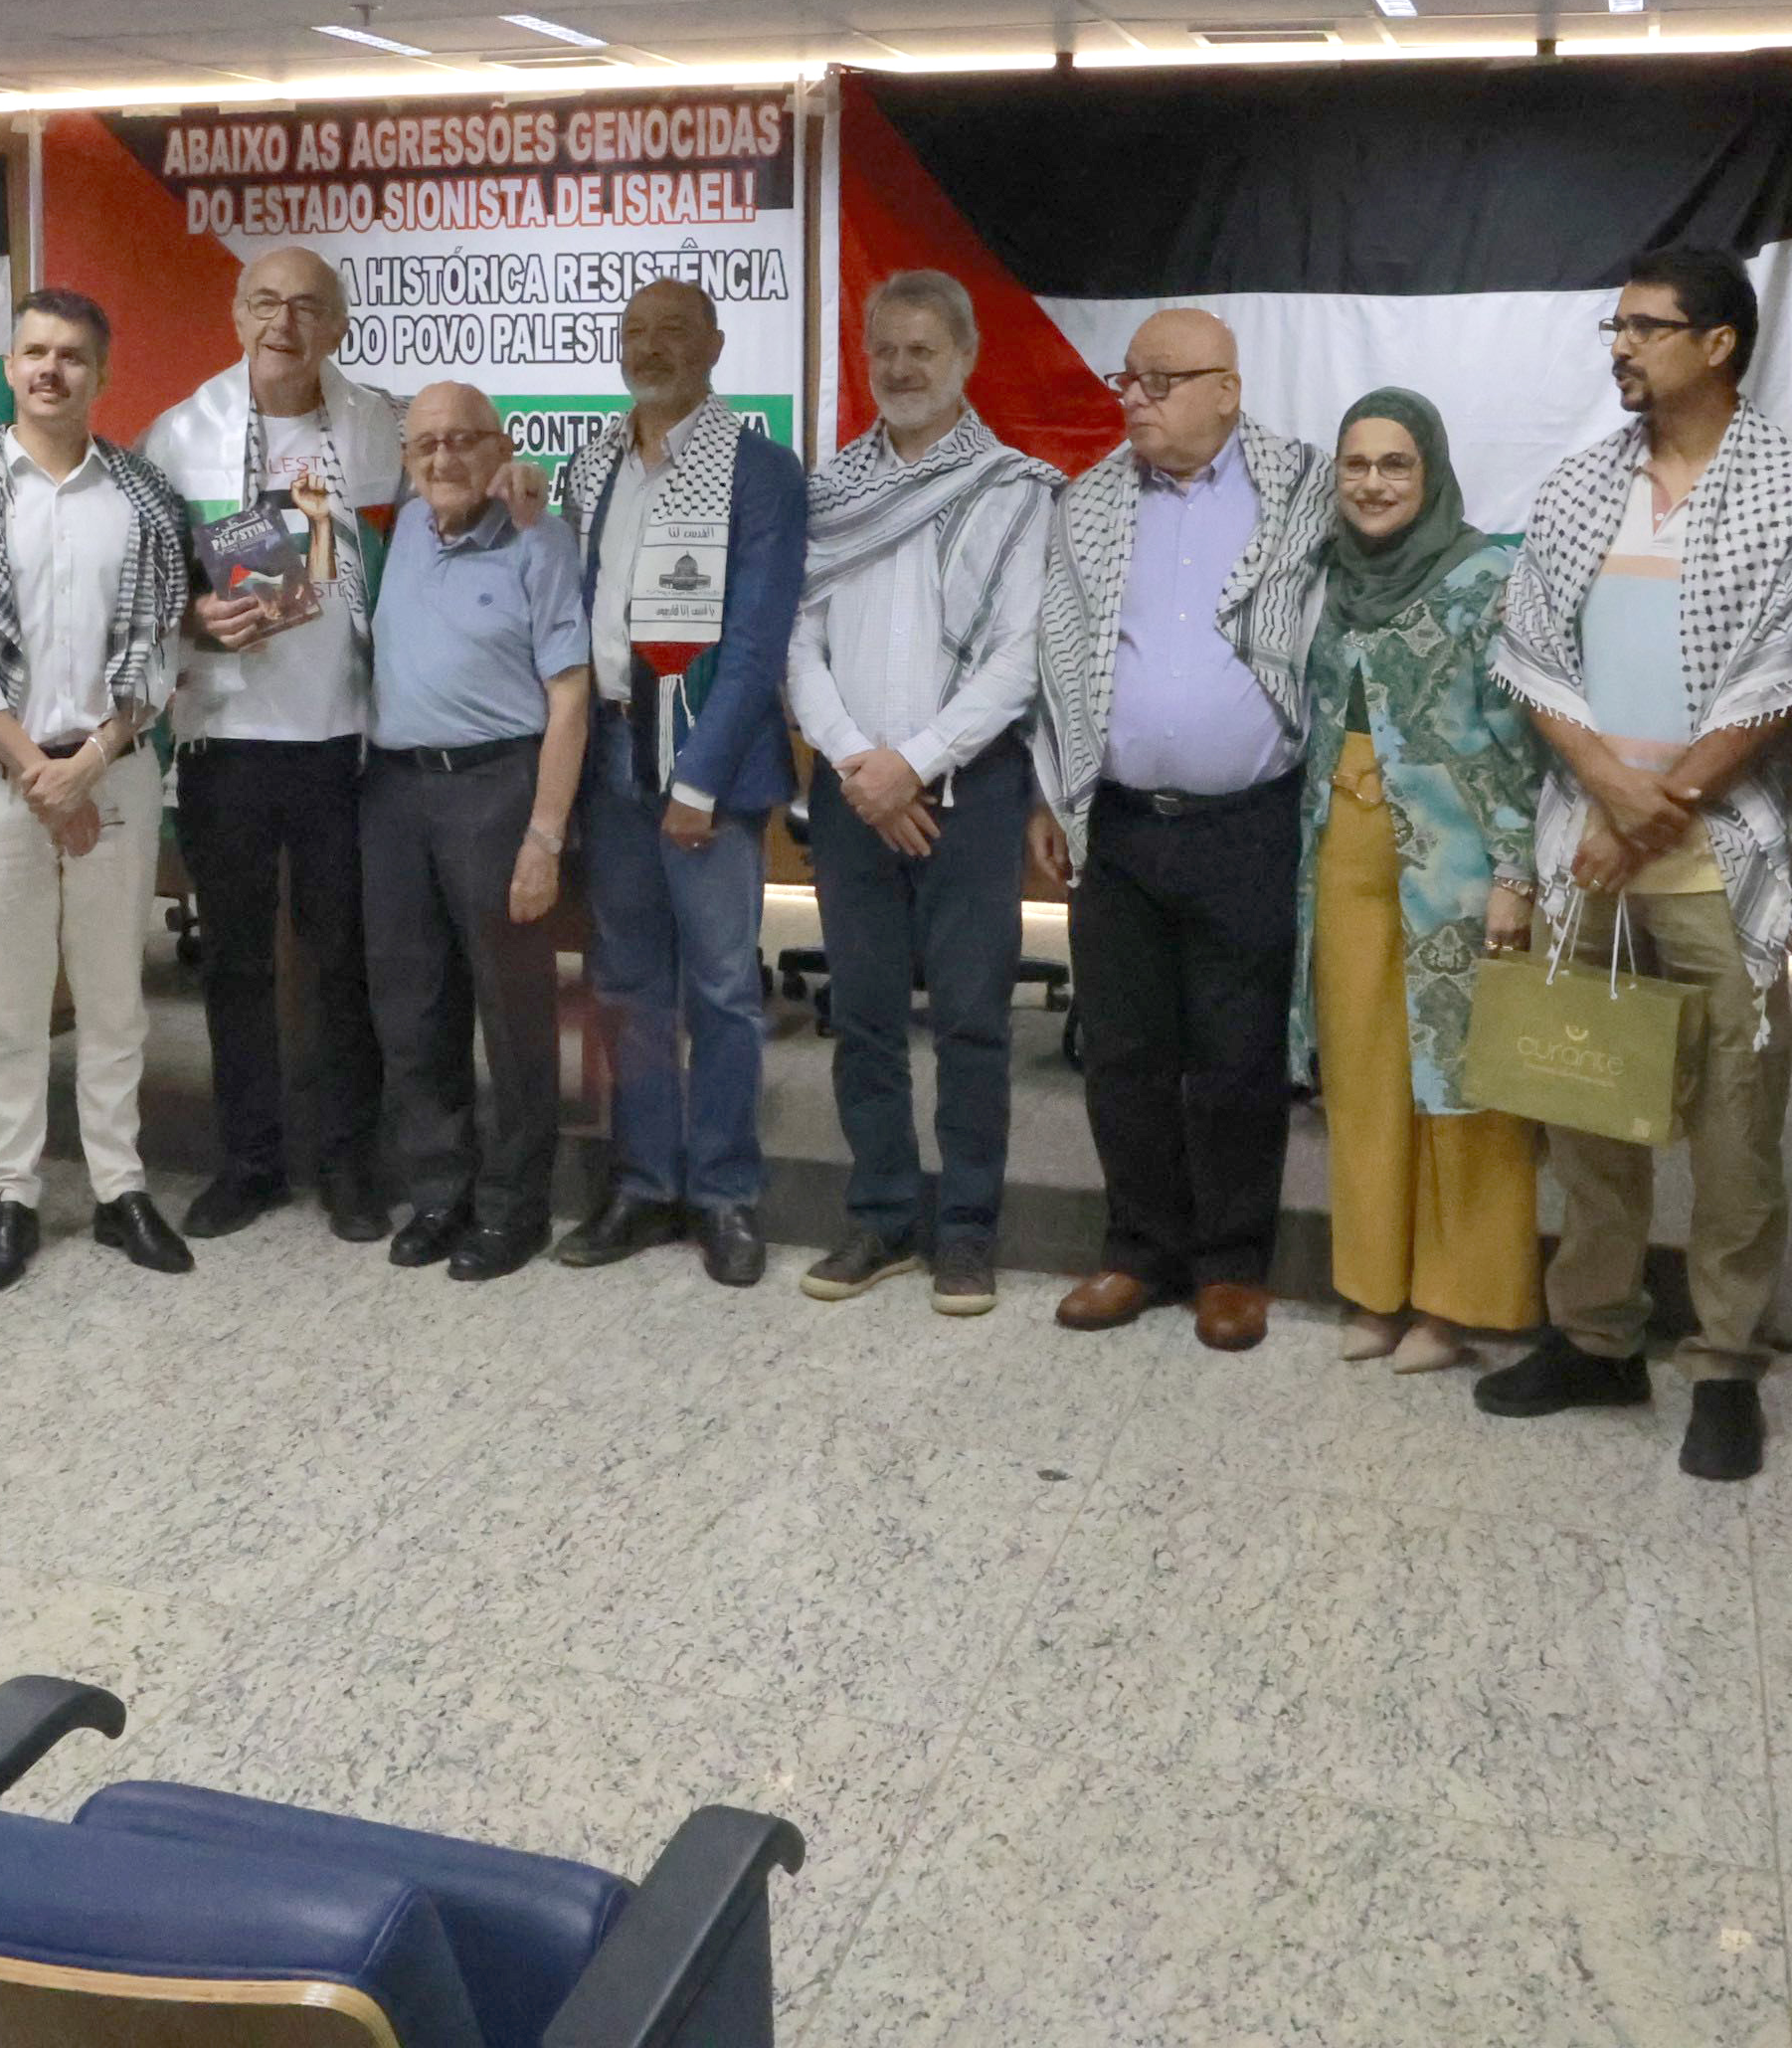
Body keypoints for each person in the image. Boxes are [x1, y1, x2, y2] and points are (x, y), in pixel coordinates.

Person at [1480, 246, 1792, 1481]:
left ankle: (1727, 1361)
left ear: (1720, 342)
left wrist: (1654, 807)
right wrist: (1605, 785)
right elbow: (1530, 651)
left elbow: (1785, 681)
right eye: (1617, 328)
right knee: (1587, 1101)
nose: (1623, 347)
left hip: (1714, 861)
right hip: (1586, 846)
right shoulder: (1584, 483)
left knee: (1738, 1122)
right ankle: (1596, 1336)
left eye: (1646, 327)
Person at [1028, 307, 1333, 1352]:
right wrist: (1053, 794)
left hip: (1248, 823)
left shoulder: (1306, 491)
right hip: (1117, 825)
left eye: (1159, 382)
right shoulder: (1089, 501)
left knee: (1239, 1054)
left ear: (1227, 390)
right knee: (1124, 1049)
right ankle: (1139, 1249)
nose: (1134, 399)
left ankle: (1234, 1264)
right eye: (1129, 379)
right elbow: (1059, 652)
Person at [0, 290, 198, 1293]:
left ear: (100, 374)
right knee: (13, 1007)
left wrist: (89, 761)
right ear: (9, 366)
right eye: (34, 351)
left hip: (113, 773)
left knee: (115, 998)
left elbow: (161, 652)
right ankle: (13, 1194)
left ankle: (120, 1188)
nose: (50, 370)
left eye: (72, 355)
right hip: (2, 782)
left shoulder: (144, 497)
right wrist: (40, 771)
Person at [787, 270, 1055, 1317]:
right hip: (852, 792)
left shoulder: (1016, 491)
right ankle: (883, 1218)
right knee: (861, 1017)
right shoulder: (829, 493)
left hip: (970, 793)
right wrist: (862, 763)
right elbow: (797, 643)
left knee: (974, 1022)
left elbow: (1022, 655)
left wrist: (920, 760)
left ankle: (968, 1232)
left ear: (966, 359)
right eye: (885, 350)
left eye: (922, 350)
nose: (900, 369)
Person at [138, 246, 404, 1244]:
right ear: (236, 313)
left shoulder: (380, 426)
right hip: (227, 739)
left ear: (339, 325)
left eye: (307, 306)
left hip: (345, 739)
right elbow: (148, 588)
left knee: (345, 965)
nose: (283, 323)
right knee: (235, 964)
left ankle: (350, 1163)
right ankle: (248, 1162)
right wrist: (195, 619)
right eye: (265, 302)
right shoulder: (180, 433)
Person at [549, 277, 809, 1289]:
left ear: (715, 344)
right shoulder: (591, 465)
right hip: (611, 756)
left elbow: (755, 641)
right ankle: (645, 1182)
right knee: (627, 986)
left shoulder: (759, 469)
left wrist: (698, 779)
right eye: (634, 332)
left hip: (708, 766)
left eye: (672, 331)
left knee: (723, 990)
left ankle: (726, 1192)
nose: (650, 348)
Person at [1298, 390, 1545, 1374]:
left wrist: (1518, 871)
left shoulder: (1486, 576)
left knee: (1465, 1083)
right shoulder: (1325, 575)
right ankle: (1374, 1290)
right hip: (1342, 853)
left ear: (1431, 471)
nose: (1372, 483)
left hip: (1460, 864)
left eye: (1395, 464)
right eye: (1356, 464)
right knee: (1362, 1078)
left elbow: (1523, 738)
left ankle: (1455, 1306)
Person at [360, 382, 592, 1280]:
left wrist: (544, 837)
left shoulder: (538, 537)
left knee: (513, 1008)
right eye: (426, 444)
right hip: (395, 793)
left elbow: (569, 697)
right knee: (412, 1005)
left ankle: (514, 1204)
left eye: (463, 440)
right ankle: (438, 1194)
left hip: (498, 787)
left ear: (500, 448)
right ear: (406, 459)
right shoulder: (404, 529)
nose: (443, 458)